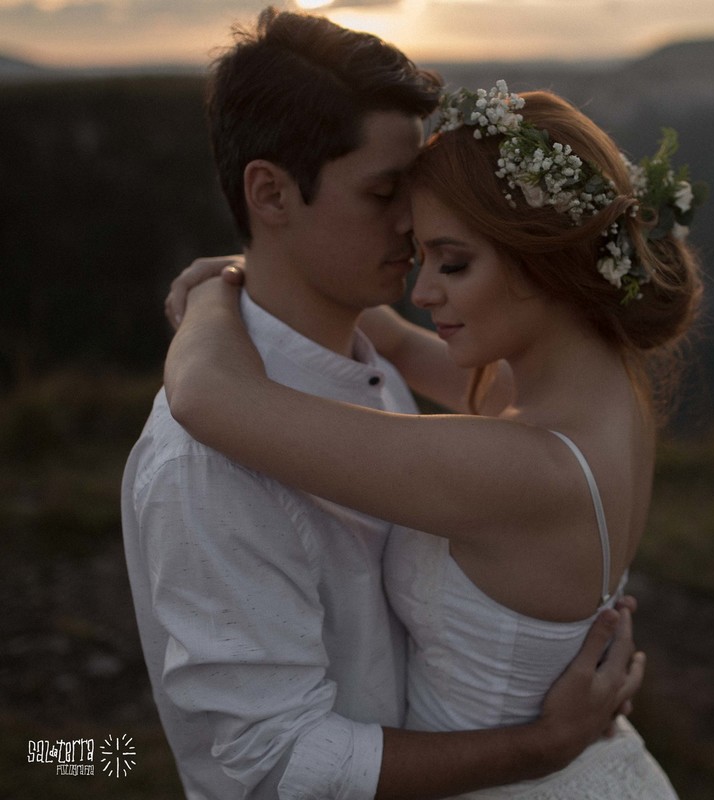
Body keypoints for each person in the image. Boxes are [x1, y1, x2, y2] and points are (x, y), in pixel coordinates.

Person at [122, 9, 642, 800]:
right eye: (384, 192)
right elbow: (269, 769)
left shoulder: (369, 364)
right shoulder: (205, 465)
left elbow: (362, 347)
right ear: (269, 192)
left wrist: (226, 286)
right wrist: (532, 749)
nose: (415, 221)